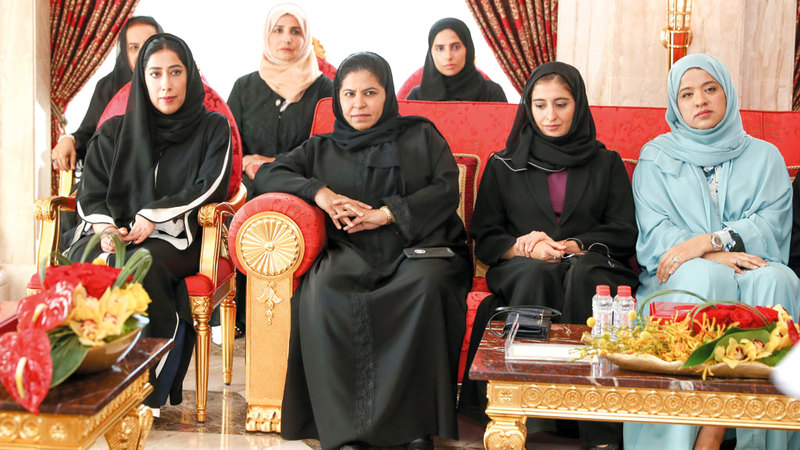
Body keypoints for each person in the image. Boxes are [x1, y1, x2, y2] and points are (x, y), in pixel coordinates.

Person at [253, 52, 471, 450]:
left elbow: (445, 189)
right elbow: (268, 173)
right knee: (323, 292)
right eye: (349, 94)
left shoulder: (420, 135)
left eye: (370, 93)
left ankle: (415, 428)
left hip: (418, 247)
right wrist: (318, 192)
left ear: (387, 94)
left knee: (427, 287)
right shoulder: (321, 147)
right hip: (349, 250)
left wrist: (387, 214)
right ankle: (347, 431)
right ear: (338, 98)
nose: (359, 104)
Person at [628, 53, 800, 450]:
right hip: (683, 271)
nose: (700, 100)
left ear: (728, 93)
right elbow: (657, 234)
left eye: (710, 89)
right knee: (704, 276)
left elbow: (772, 224)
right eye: (687, 94)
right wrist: (709, 257)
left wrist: (710, 241)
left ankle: (764, 438)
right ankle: (686, 435)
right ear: (675, 104)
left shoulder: (765, 156)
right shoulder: (656, 158)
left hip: (753, 263)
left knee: (777, 281)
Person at [463, 61, 637, 449]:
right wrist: (524, 245)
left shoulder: (605, 163)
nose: (550, 115)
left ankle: (595, 424)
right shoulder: (503, 164)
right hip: (524, 265)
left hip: (590, 263)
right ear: (527, 107)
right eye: (539, 105)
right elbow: (486, 236)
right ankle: (531, 415)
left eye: (561, 104)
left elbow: (623, 231)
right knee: (535, 273)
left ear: (579, 105)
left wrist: (573, 245)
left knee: (583, 275)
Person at [65, 33, 232, 408]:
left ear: (190, 75)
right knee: (89, 262)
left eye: (175, 72)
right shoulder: (113, 131)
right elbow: (90, 191)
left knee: (143, 262)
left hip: (176, 237)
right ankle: (82, 379)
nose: (166, 84)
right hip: (111, 231)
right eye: (155, 74)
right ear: (142, 79)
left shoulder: (212, 128)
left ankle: (141, 385)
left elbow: (210, 187)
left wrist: (151, 217)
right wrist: (106, 228)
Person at [225, 2, 332, 337]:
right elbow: (228, 144)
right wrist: (246, 161)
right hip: (250, 186)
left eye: (295, 31)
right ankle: (245, 313)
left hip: (302, 185)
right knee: (246, 203)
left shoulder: (325, 89)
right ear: (266, 36)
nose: (286, 38)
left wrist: (272, 165)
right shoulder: (244, 87)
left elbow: (326, 146)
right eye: (279, 30)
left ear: (306, 37)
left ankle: (299, 315)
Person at [51, 16, 162, 172]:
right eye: (134, 47)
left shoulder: (175, 83)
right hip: (117, 175)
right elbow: (89, 135)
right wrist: (68, 140)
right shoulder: (108, 86)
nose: (143, 53)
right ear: (124, 52)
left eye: (150, 45)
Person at [406, 17, 506, 102]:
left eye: (455, 47)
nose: (448, 56)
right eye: (440, 49)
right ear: (430, 54)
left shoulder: (492, 93)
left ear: (468, 49)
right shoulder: (416, 98)